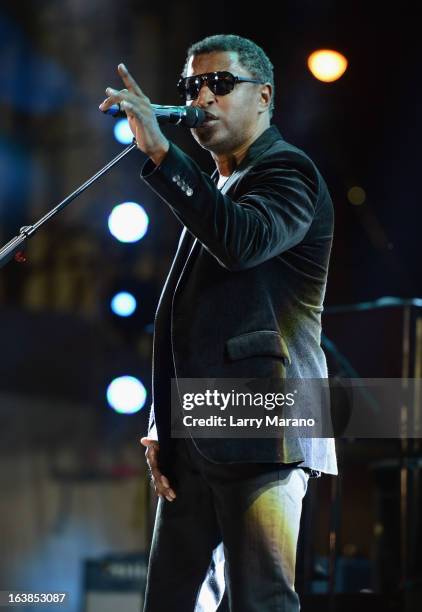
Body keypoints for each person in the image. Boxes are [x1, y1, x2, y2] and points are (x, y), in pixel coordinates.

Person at [99, 34, 338, 612]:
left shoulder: (288, 173)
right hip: (197, 427)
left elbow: (241, 240)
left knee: (259, 601)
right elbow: (182, 322)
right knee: (169, 601)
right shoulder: (219, 184)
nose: (201, 97)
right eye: (191, 86)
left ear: (264, 96)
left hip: (266, 427)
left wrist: (161, 156)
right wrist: (164, 420)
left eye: (220, 84)